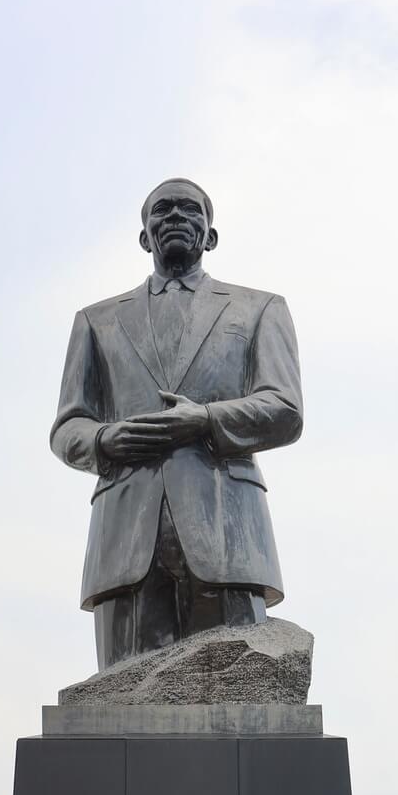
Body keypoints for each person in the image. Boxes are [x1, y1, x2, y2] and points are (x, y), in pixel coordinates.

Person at [51, 178, 305, 671]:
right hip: (126, 532)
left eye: (190, 209)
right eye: (161, 210)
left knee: (240, 699)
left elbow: (285, 408)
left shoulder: (259, 309)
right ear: (144, 236)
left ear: (210, 236)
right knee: (118, 707)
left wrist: (206, 419)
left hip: (226, 529)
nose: (174, 217)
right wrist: (105, 438)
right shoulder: (95, 321)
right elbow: (67, 427)